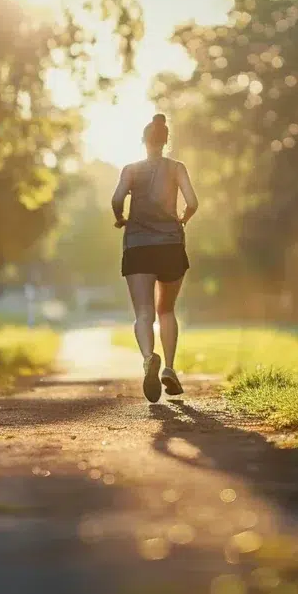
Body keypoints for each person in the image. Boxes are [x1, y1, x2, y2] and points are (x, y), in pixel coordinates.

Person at [111, 113, 199, 403]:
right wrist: (182, 220)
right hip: (170, 244)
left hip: (138, 245)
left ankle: (149, 358)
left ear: (144, 141)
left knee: (144, 312)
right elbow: (193, 202)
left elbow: (116, 198)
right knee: (166, 310)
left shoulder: (131, 169)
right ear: (165, 141)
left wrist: (120, 218)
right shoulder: (176, 168)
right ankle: (170, 369)